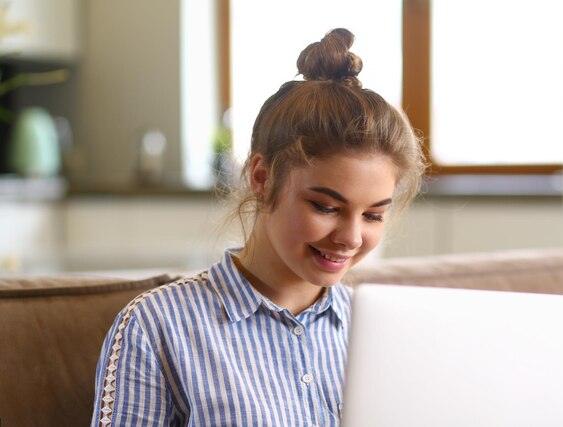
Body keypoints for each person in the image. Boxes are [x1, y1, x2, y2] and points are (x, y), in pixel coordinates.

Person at [91, 28, 424, 427]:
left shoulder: (378, 331)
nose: (351, 238)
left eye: (373, 215)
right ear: (262, 178)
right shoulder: (156, 325)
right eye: (326, 206)